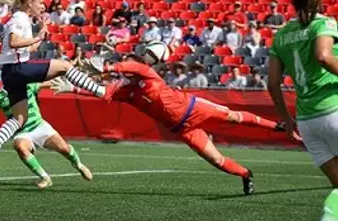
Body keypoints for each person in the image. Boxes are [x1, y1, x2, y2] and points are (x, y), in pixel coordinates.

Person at [52, 48, 295, 196]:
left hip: (193, 107)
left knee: (233, 116)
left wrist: (106, 66)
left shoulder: (145, 72)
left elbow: (128, 66)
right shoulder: (126, 90)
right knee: (216, 160)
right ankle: (246, 174)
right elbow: (103, 93)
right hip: (182, 127)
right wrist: (73, 86)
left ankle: (277, 126)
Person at [0, 0, 119, 175]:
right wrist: (37, 36)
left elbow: (28, 49)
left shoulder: (24, 19)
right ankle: (102, 91)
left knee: (20, 118)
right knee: (64, 66)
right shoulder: (19, 18)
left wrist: (40, 33)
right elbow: (14, 42)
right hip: (17, 68)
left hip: (11, 73)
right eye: (40, 2)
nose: (42, 6)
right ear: (29, 2)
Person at [266, 0, 338, 221]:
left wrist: (287, 120)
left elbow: (273, 84)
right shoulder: (325, 24)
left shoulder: (282, 35)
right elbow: (323, 56)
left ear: (292, 1)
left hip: (307, 122)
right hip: (334, 108)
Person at [0, 81, 93, 188]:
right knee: (19, 146)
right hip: (22, 133)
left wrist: (65, 85)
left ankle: (78, 165)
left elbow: (47, 84)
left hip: (39, 126)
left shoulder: (26, 85)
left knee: (64, 149)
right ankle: (45, 178)